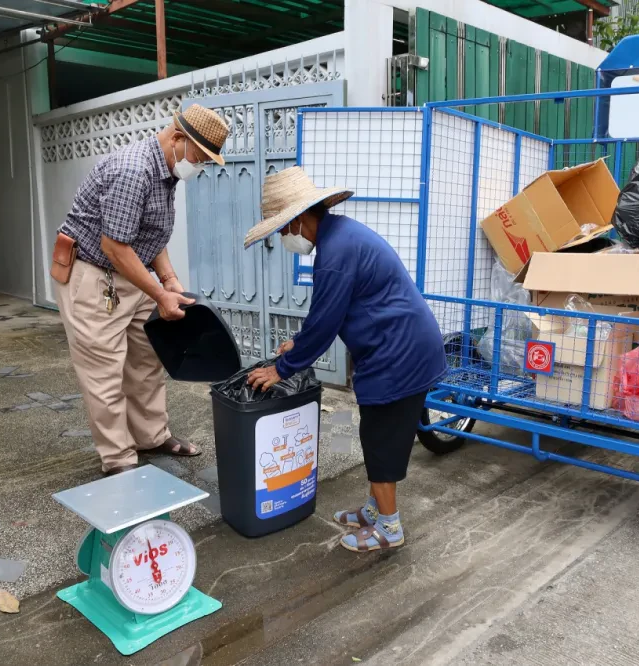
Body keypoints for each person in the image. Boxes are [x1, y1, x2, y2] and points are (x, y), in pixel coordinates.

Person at [243, 167, 446, 553]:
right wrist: (299, 343)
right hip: (399, 348)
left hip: (400, 354)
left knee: (380, 440)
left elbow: (325, 322)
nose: (284, 238)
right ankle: (374, 509)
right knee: (374, 433)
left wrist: (281, 368)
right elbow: (327, 315)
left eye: (284, 230)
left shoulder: (336, 253)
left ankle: (389, 528)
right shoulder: (340, 236)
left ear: (300, 220)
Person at [54, 105, 229, 476]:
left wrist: (169, 281)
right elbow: (114, 246)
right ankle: (118, 459)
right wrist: (161, 294)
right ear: (178, 139)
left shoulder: (166, 172)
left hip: (132, 276)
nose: (200, 167)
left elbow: (150, 233)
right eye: (201, 158)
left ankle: (151, 437)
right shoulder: (133, 170)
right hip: (95, 276)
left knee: (147, 360)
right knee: (104, 371)